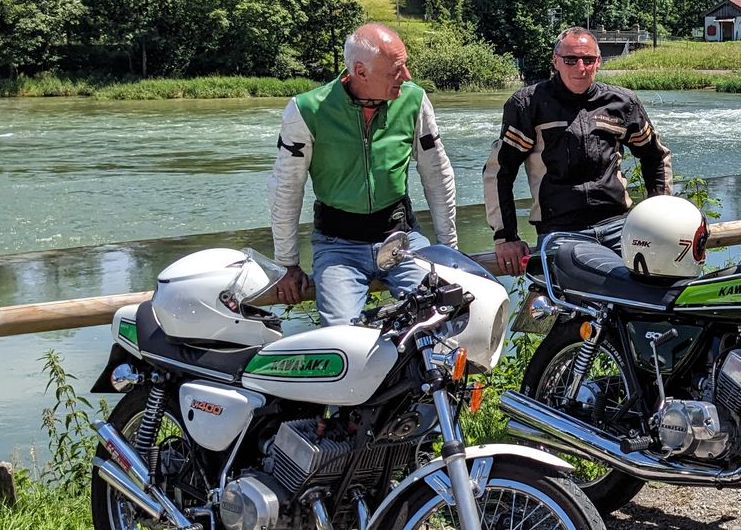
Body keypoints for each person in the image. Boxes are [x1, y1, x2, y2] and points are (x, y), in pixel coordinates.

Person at [268, 23, 457, 325]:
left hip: (402, 240)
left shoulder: (414, 100)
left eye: (405, 65)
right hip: (337, 248)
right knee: (343, 338)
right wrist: (286, 264)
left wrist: (449, 249)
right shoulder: (306, 110)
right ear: (360, 71)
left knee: (444, 314)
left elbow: (437, 173)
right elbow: (286, 188)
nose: (406, 76)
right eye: (396, 70)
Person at [486, 27, 672, 276]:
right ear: (555, 61)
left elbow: (655, 156)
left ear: (599, 62)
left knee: (646, 292)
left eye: (588, 59)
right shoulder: (527, 105)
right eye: (570, 60)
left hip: (619, 226)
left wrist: (658, 218)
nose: (580, 67)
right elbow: (499, 171)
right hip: (561, 231)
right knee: (577, 298)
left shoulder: (622, 104)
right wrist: (506, 236)